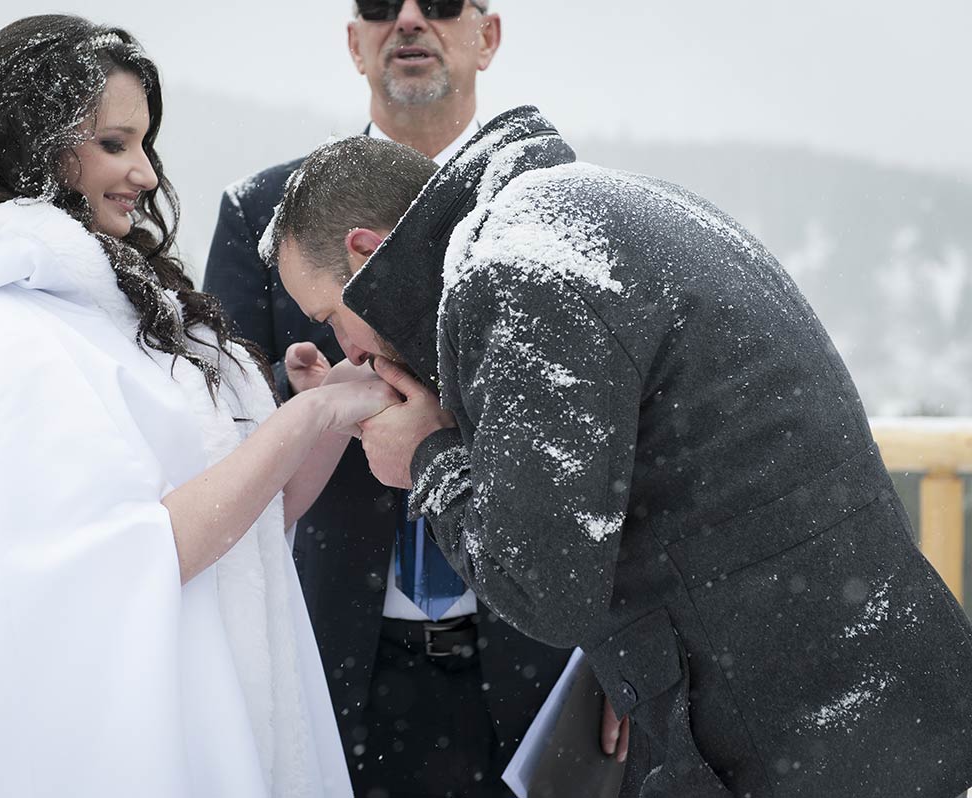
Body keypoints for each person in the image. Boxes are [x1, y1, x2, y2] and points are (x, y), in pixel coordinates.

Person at [265, 109, 972, 797]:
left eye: (332, 317)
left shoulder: (512, 273)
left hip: (781, 734)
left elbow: (541, 587)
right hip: (867, 695)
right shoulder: (576, 214)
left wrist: (429, 456)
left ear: (365, 249)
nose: (348, 351)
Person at [0, 16, 400, 798]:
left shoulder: (135, 312)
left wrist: (330, 407)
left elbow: (255, 518)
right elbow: (127, 563)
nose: (145, 173)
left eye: (145, 145)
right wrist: (303, 420)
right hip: (132, 736)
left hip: (228, 700)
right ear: (37, 143)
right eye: (114, 144)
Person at [203, 3, 607, 797]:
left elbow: (614, 453)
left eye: (444, 2)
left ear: (487, 36)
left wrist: (621, 656)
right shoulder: (266, 214)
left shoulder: (550, 212)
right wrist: (311, 405)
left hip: (543, 664)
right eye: (383, 5)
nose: (411, 20)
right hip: (338, 661)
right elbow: (221, 438)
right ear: (354, 41)